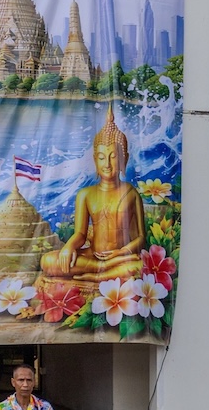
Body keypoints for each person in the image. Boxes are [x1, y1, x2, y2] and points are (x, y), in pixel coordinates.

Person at [40, 105, 145, 282]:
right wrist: (69, 246)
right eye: (102, 157)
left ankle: (100, 274)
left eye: (113, 157)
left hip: (122, 256)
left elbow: (141, 237)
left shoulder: (131, 193)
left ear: (124, 158)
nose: (107, 164)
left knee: (139, 266)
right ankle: (104, 268)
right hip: (93, 255)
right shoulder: (85, 194)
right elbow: (81, 234)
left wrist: (122, 252)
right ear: (95, 160)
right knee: (48, 261)